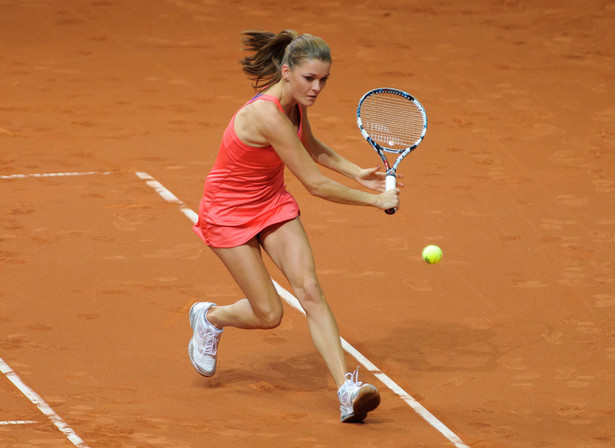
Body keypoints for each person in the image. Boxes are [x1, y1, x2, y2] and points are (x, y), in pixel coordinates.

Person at [188, 29, 400, 423]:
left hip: (270, 202)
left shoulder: (296, 105)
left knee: (310, 290)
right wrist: (375, 200)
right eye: (309, 79)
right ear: (286, 72)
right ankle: (210, 317)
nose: (317, 87)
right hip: (227, 212)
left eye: (324, 80)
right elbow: (315, 184)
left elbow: (310, 145)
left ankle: (346, 389)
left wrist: (359, 173)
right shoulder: (266, 114)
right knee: (269, 315)